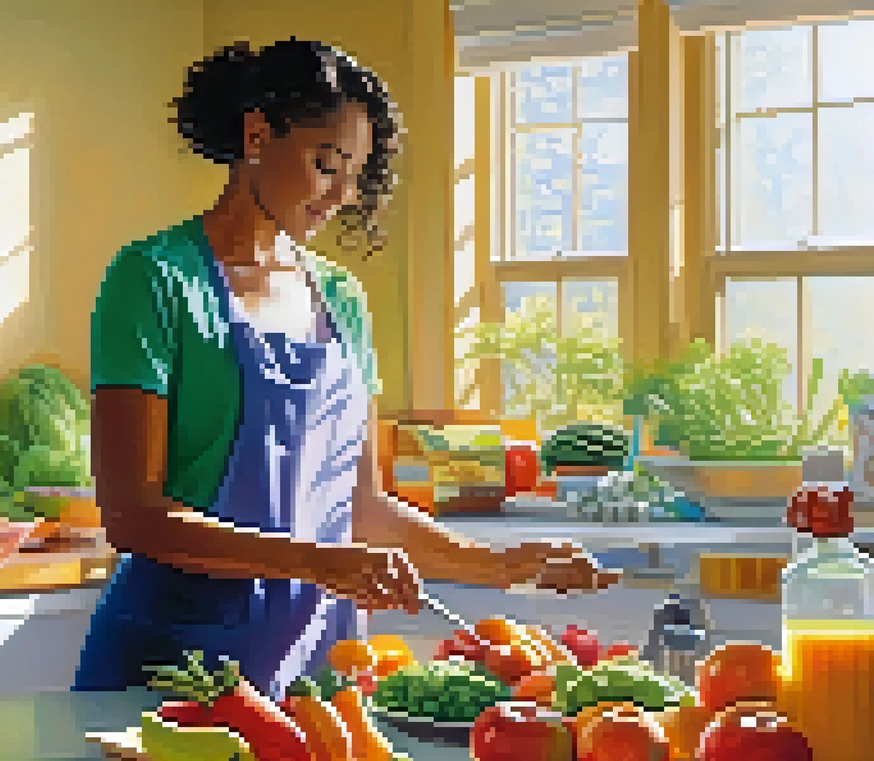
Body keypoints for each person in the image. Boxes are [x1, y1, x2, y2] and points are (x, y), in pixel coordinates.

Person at [73, 39, 619, 698]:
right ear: (255, 134)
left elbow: (359, 506)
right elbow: (133, 516)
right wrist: (314, 560)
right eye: (326, 163)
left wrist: (501, 564)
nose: (342, 194)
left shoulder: (342, 299)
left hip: (316, 673)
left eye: (355, 172)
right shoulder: (154, 280)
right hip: (172, 665)